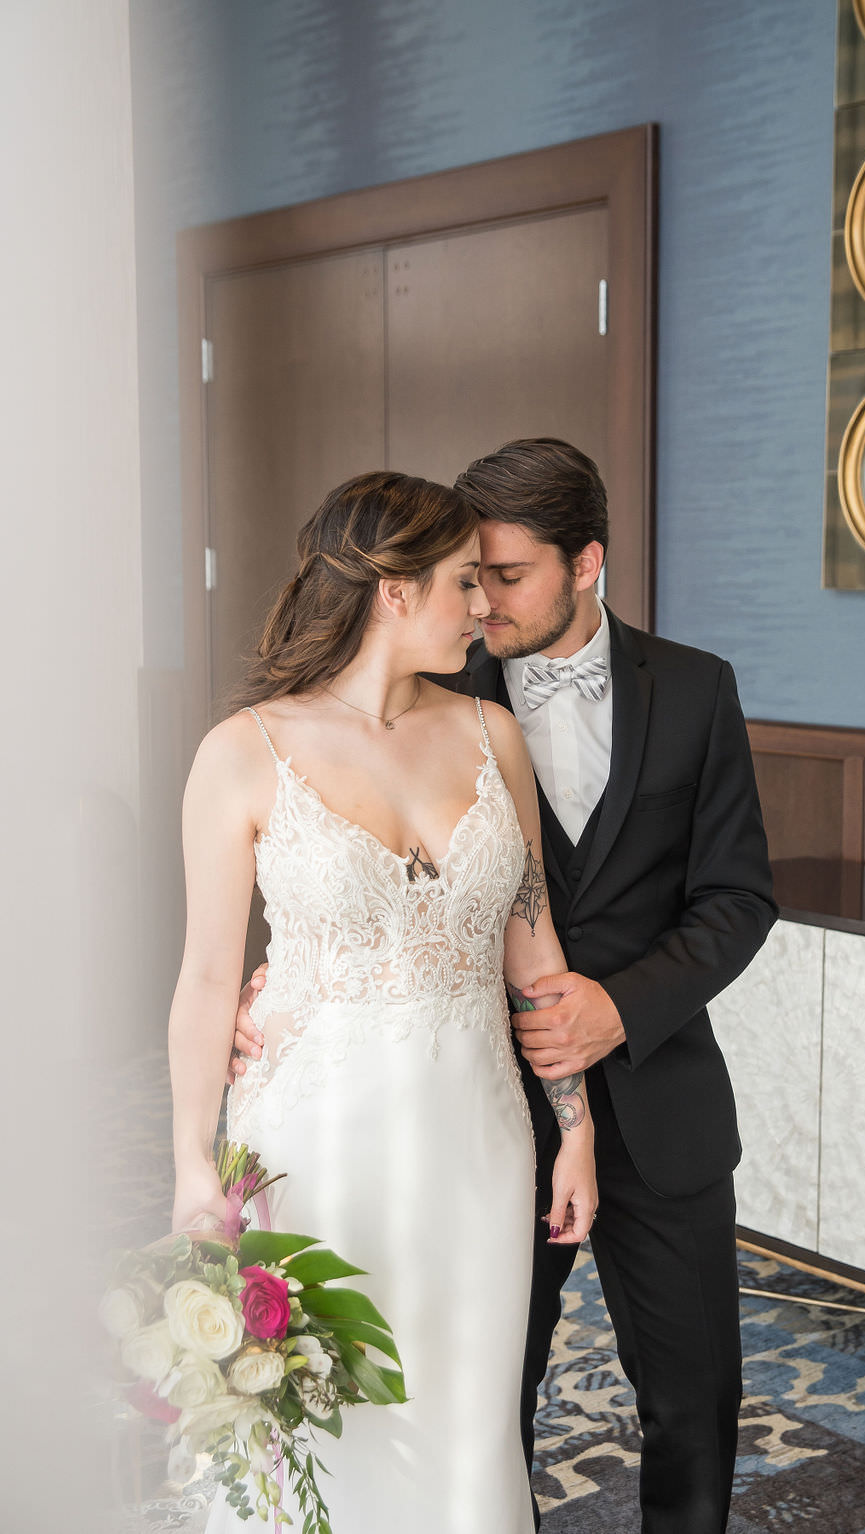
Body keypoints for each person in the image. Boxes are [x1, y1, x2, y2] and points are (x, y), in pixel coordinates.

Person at [233, 441, 777, 1531]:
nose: (479, 602)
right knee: (479, 1397)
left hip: (655, 1097)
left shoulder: (698, 689)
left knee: (695, 1398)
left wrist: (619, 1006)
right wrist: (278, 985)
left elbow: (737, 897)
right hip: (472, 1111)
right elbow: (337, 869)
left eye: (508, 575)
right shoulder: (435, 690)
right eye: (465, 577)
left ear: (588, 563)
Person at [169, 470, 597, 1534]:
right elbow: (209, 979)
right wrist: (190, 1172)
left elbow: (533, 950)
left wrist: (574, 1130)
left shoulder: (493, 736)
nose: (484, 608)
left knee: (465, 1414)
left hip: (481, 1137)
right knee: (320, 1413)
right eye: (463, 583)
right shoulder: (241, 753)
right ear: (395, 592)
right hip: (315, 1141)